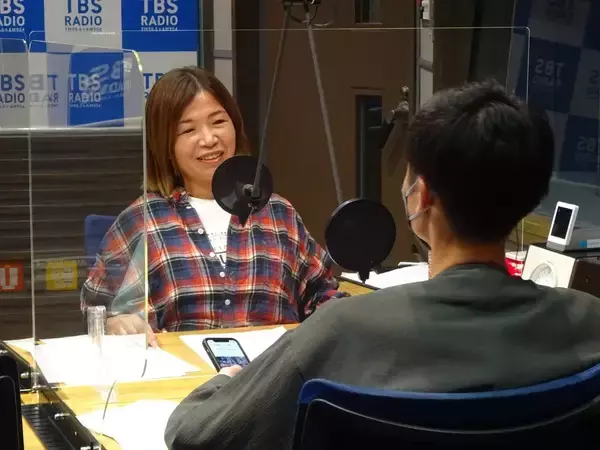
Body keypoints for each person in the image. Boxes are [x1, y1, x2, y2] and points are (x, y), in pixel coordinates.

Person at [164, 80, 600, 449]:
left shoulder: (342, 331)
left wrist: (226, 380)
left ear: (420, 196)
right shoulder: (588, 323)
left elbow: (195, 435)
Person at [80, 66, 346, 344]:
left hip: (275, 368)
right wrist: (114, 322)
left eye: (218, 122)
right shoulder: (142, 219)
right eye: (188, 130)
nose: (209, 139)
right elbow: (98, 309)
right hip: (180, 370)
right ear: (165, 146)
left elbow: (322, 293)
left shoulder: (278, 213)